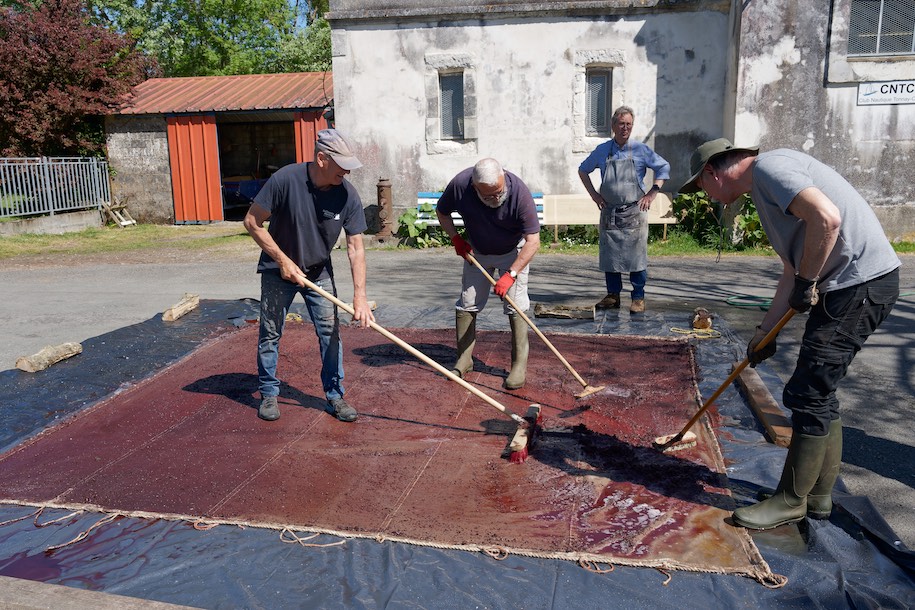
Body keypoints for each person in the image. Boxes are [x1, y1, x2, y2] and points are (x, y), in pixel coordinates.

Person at [680, 138, 900, 530]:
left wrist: (808, 280)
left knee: (808, 391)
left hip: (860, 285)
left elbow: (827, 219)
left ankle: (791, 500)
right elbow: (790, 270)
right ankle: (816, 496)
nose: (707, 196)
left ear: (712, 172)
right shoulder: (765, 187)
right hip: (848, 286)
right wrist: (766, 332)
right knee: (818, 389)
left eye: (702, 188)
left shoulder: (771, 169)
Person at [243, 128, 374, 423]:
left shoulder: (347, 195)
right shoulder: (285, 180)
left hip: (318, 272)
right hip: (278, 272)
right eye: (342, 165)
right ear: (321, 158)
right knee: (271, 331)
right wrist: (283, 261)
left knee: (330, 333)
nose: (348, 172)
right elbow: (252, 222)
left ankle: (335, 396)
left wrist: (360, 297)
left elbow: (355, 248)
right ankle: (268, 392)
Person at [436, 158, 541, 390]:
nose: (496, 198)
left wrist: (511, 274)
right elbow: (442, 212)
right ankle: (464, 359)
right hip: (478, 251)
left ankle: (518, 365)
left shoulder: (519, 193)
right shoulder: (461, 185)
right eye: (489, 195)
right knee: (467, 303)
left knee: (516, 306)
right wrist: (456, 239)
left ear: (503, 176)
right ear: (475, 188)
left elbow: (533, 241)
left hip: (513, 252)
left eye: (499, 192)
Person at [578, 106, 670, 313]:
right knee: (611, 257)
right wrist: (594, 195)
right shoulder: (602, 150)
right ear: (613, 126)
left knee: (636, 257)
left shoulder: (641, 150)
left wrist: (652, 192)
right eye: (621, 124)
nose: (625, 128)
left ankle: (638, 297)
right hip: (609, 211)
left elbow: (663, 168)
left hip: (634, 212)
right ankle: (612, 296)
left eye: (629, 124)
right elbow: (583, 170)